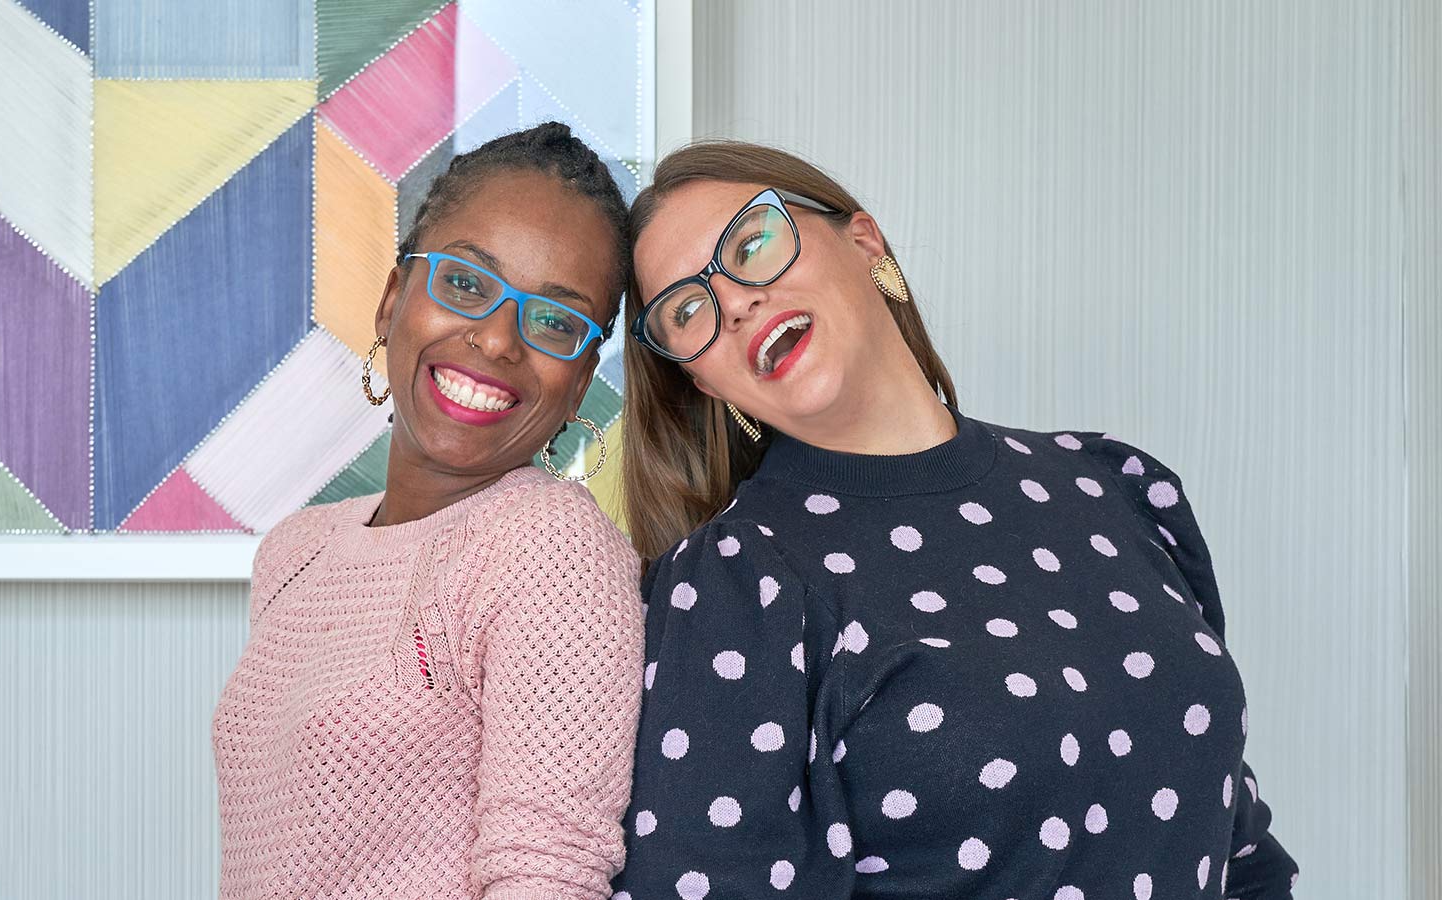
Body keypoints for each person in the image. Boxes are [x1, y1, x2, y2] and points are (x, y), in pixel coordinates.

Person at [612, 141, 1297, 898]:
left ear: (865, 242)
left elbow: (1237, 848)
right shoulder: (734, 585)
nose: (733, 301)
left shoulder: (1118, 485)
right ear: (702, 379)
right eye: (686, 309)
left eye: (752, 243)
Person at [213, 123, 644, 900]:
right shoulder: (296, 553)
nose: (497, 339)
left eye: (554, 321)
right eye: (467, 283)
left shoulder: (551, 547)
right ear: (391, 302)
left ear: (581, 384)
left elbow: (546, 875)